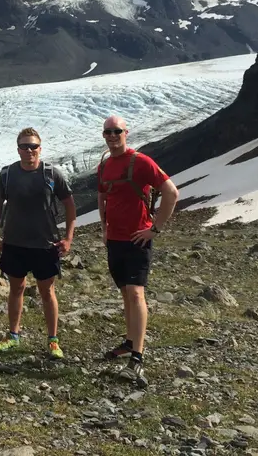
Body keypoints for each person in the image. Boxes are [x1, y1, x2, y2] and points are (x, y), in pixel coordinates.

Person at [98, 115, 179, 383]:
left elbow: (171, 192)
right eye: (107, 132)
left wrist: (155, 229)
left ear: (126, 133)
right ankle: (130, 341)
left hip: (137, 239)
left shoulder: (141, 162)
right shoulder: (105, 164)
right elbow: (103, 194)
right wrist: (104, 226)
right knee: (125, 294)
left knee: (135, 294)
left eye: (116, 131)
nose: (112, 136)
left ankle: (138, 358)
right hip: (115, 240)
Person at [0, 127, 76, 359]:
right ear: (18, 149)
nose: (29, 150)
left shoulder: (51, 174)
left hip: (45, 243)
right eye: (24, 146)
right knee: (16, 289)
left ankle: (53, 340)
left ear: (40, 148)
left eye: (33, 146)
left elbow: (69, 204)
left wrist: (68, 237)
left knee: (47, 291)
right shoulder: (7, 174)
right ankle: (13, 335)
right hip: (15, 242)